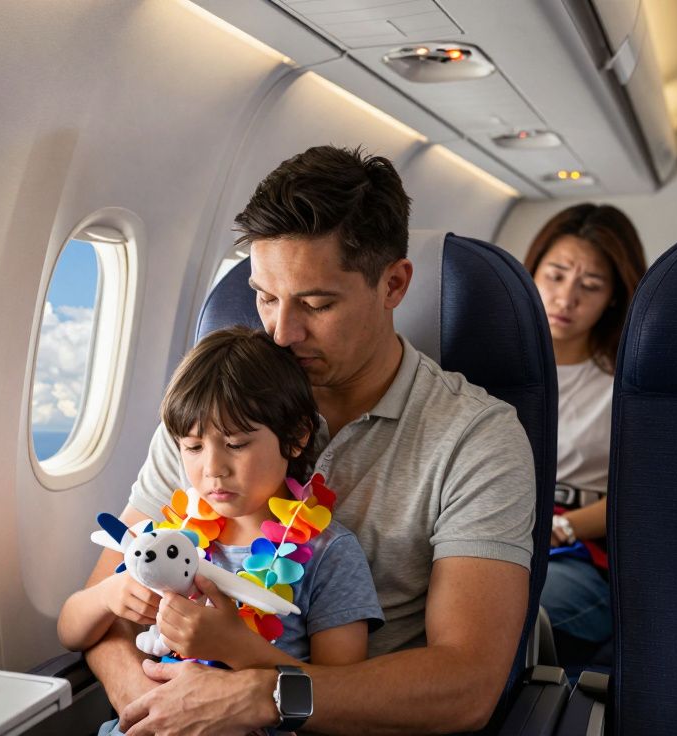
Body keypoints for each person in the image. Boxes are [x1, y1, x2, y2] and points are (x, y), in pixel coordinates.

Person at [79, 145, 536, 735]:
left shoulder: (476, 438)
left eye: (316, 304)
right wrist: (152, 706)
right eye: (265, 297)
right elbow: (107, 607)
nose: (281, 332)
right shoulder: (217, 416)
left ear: (394, 283)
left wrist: (264, 696)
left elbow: (466, 685)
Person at [57, 327, 383, 706]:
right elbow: (70, 631)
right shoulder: (168, 539)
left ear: (295, 436)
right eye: (193, 447)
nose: (213, 469)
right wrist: (109, 596)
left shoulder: (330, 554)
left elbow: (339, 698)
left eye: (236, 444)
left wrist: (235, 646)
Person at [522, 204, 646, 655]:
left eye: (589, 286)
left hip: (578, 555)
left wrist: (565, 527)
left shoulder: (628, 380)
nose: (566, 298)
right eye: (555, 275)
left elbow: (643, 493)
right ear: (530, 272)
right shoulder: (492, 367)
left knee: (510, 606)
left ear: (613, 296)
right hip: (495, 535)